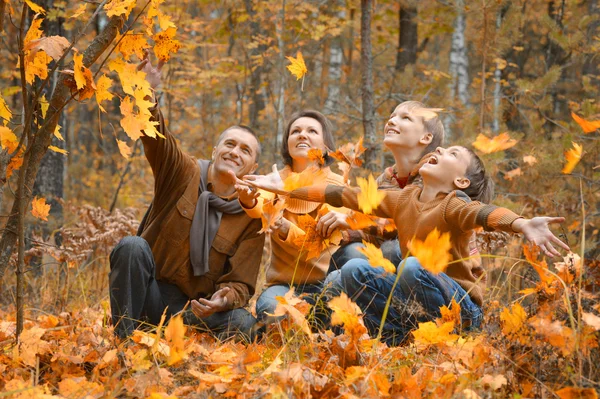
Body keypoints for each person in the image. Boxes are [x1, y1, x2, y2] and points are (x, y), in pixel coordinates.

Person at [243, 145, 570, 345]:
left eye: (452, 154)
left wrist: (522, 223)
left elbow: (484, 213)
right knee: (356, 269)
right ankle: (399, 335)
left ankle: (450, 337)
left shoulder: (454, 203)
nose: (440, 152)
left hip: (461, 311)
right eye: (442, 149)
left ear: (461, 181)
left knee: (412, 266)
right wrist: (286, 187)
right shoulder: (403, 199)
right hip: (415, 301)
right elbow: (344, 195)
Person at [109, 58, 265, 341]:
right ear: (216, 149)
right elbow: (158, 139)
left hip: (192, 313)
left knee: (244, 323)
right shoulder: (184, 171)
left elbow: (240, 283)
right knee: (131, 246)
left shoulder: (252, 215)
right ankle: (124, 341)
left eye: (245, 150)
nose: (235, 152)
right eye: (229, 144)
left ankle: (193, 351)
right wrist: (147, 93)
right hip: (149, 296)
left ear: (253, 167)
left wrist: (223, 299)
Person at [235, 110, 348, 326]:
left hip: (326, 282)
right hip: (284, 286)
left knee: (344, 288)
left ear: (325, 146)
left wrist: (284, 226)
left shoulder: (337, 185)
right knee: (269, 309)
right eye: (295, 131)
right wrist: (248, 199)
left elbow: (317, 244)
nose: (302, 135)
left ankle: (321, 329)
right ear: (287, 143)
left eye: (311, 131)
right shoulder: (274, 180)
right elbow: (258, 206)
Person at [328, 101, 445, 273]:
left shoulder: (437, 172)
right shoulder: (385, 180)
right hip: (389, 264)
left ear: (426, 137)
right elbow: (376, 232)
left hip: (428, 267)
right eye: (391, 117)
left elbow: (412, 224)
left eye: (405, 118)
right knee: (351, 252)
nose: (391, 121)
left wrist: (352, 223)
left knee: (392, 250)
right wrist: (347, 232)